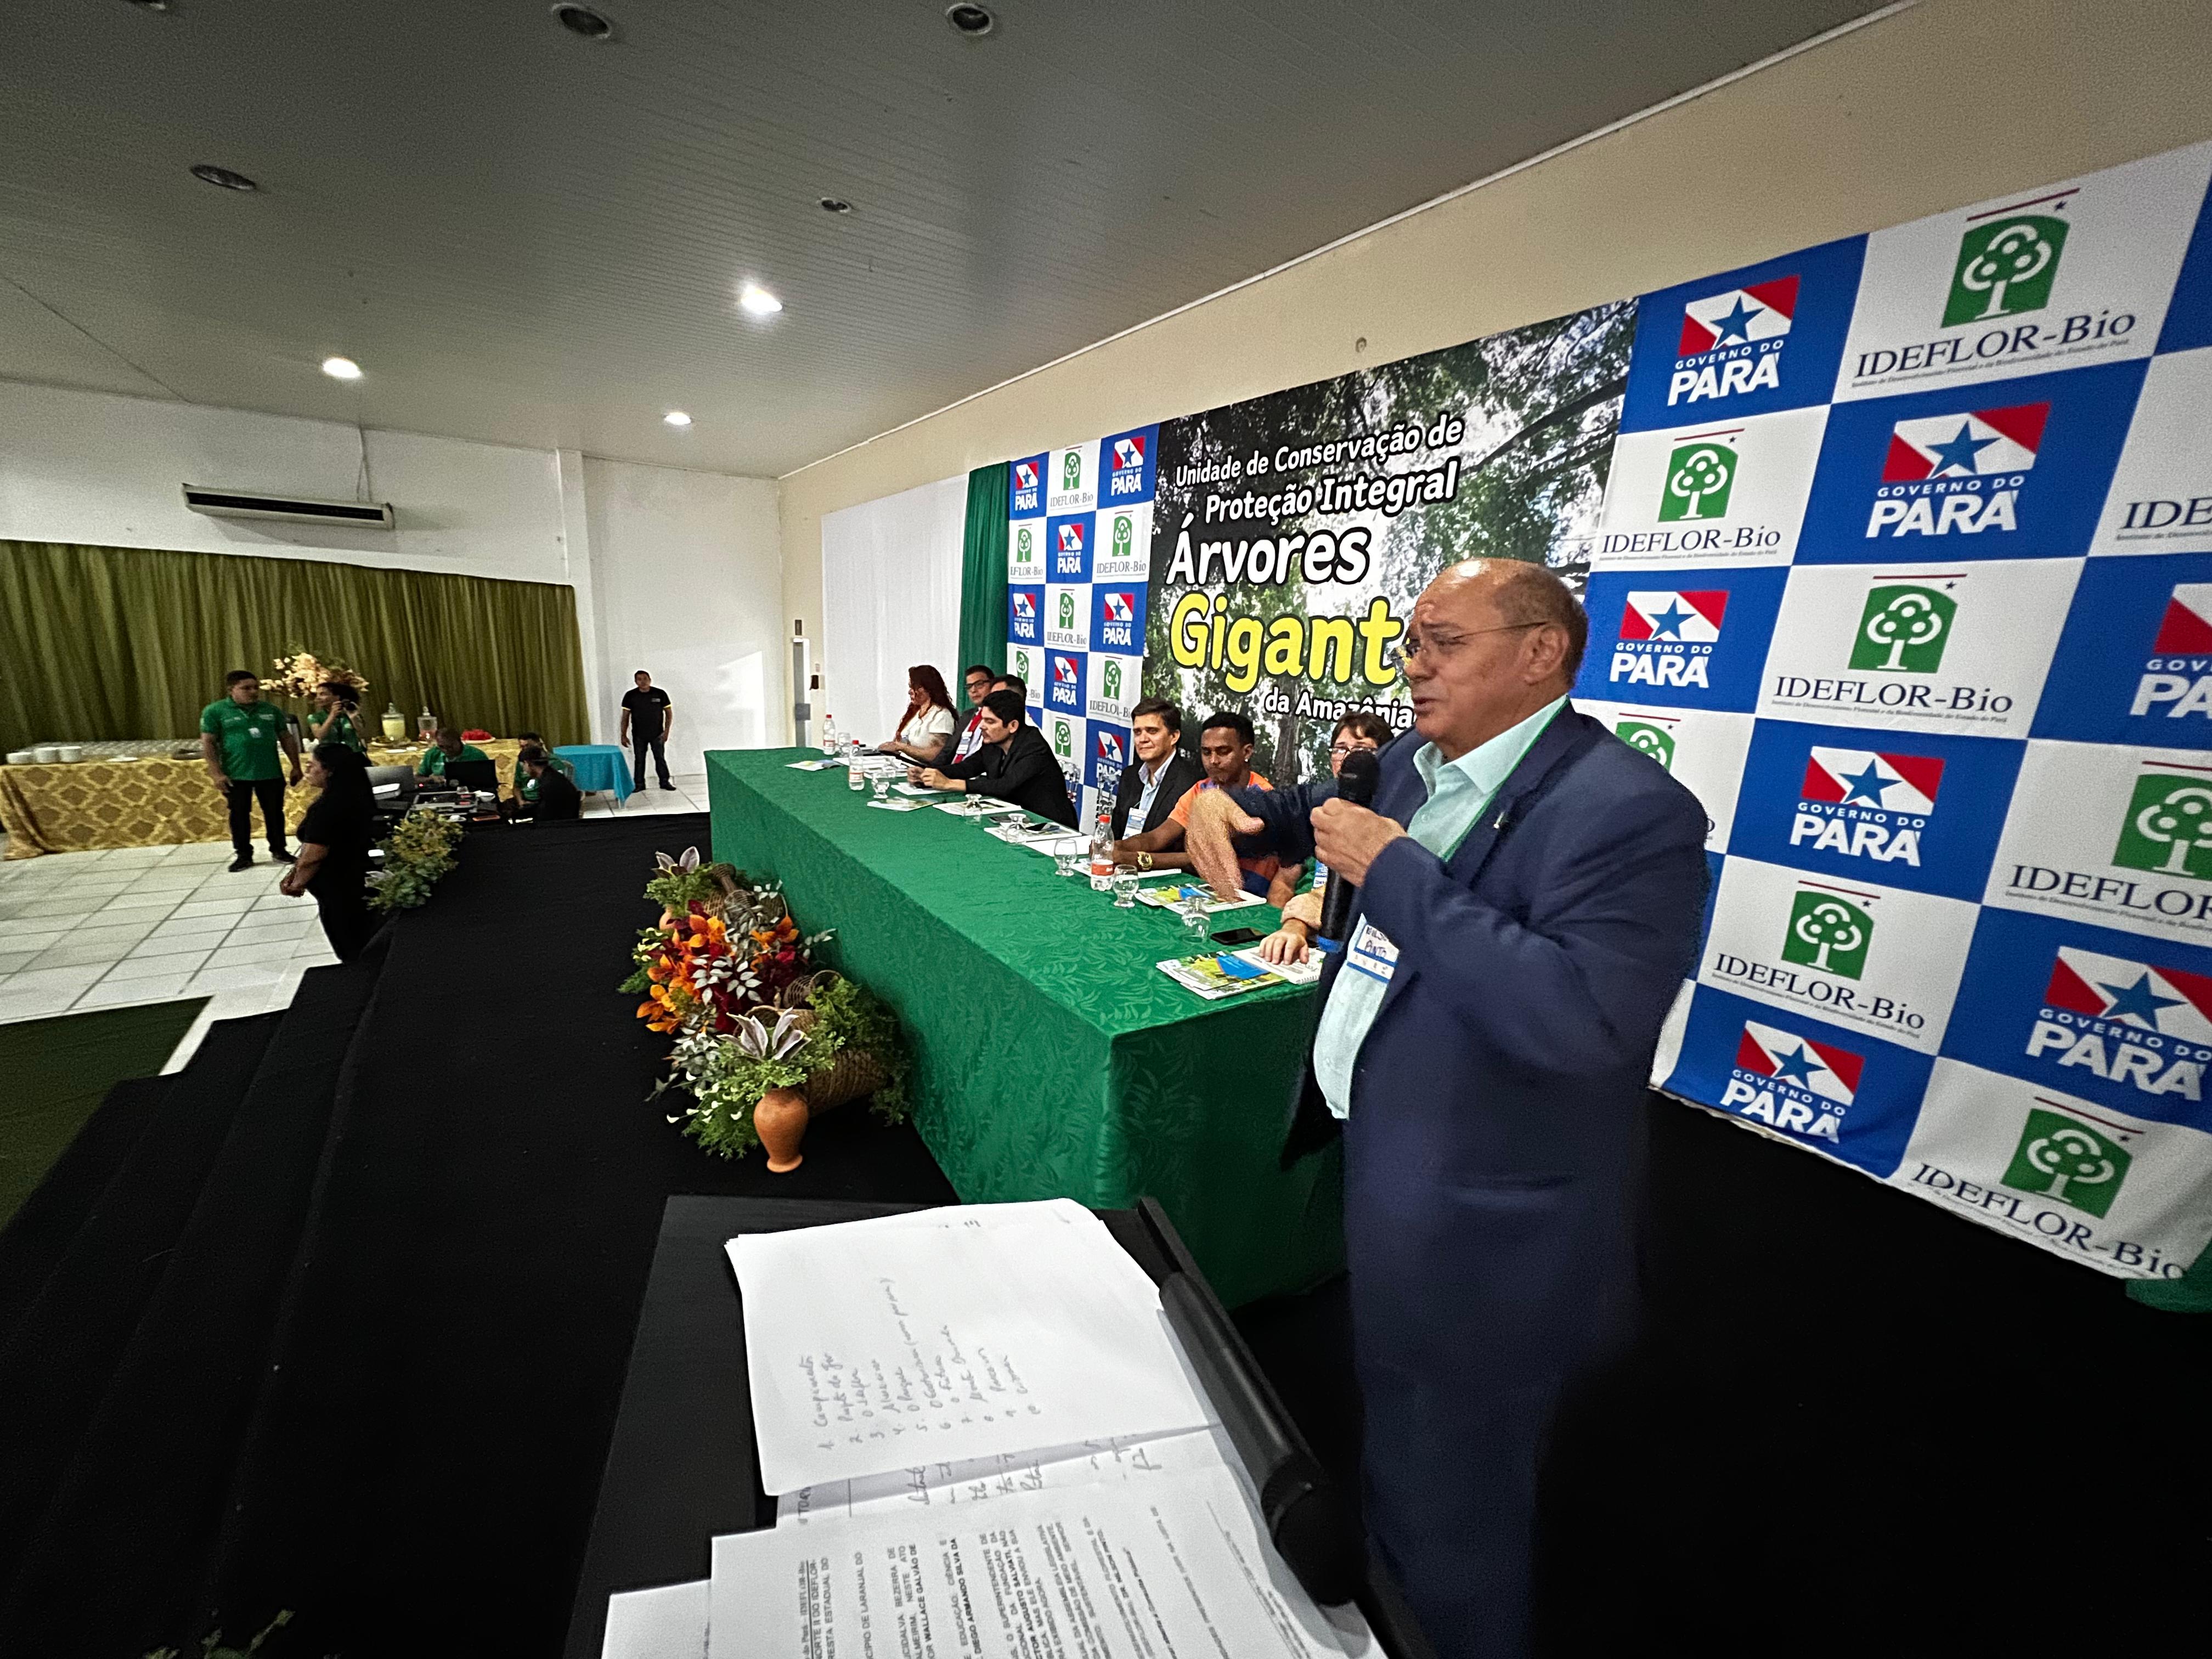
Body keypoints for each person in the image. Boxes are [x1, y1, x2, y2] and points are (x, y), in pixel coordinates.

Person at [1183, 560, 1707, 1659]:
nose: (1414, 665)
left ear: (1541, 652)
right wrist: (1228, 801)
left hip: (1487, 1223)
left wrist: (1398, 872)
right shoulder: (1412, 764)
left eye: (1443, 642)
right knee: (1395, 1428)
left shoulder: (1632, 812)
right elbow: (1311, 810)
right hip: (1395, 1155)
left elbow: (1584, 1022)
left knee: (1452, 1498)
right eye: (1412, 643)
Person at [1258, 711, 1395, 961]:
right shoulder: (1317, 809)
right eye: (1340, 749)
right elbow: (1284, 883)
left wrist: (1297, 925)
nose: (1348, 759)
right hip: (1295, 938)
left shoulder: (1389, 822)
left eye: (1362, 750)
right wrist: (1279, 933)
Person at [1112, 711, 1276, 891]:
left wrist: (1138, 860)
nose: (1213, 761)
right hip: (1206, 889)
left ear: (1247, 752)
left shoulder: (1264, 797)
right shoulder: (1201, 788)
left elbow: (1208, 856)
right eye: (1206, 752)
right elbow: (1157, 837)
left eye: (1223, 752)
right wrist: (1116, 847)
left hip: (1249, 896)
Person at [909, 689, 1076, 827]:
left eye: (990, 721)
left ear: (1013, 726)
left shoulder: (1034, 747)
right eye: (983, 719)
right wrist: (927, 773)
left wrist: (949, 784)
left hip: (1050, 825)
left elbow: (1005, 786)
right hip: (1014, 820)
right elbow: (967, 768)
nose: (982, 726)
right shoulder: (993, 743)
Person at [280, 742, 380, 960]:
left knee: (349, 944)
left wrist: (297, 882)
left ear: (330, 771)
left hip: (337, 885)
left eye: (312, 764)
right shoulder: (354, 796)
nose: (307, 769)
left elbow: (314, 855)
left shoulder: (328, 808)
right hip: (356, 876)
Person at [200, 669, 301, 873]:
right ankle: (244, 855)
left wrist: (296, 766)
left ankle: (279, 850)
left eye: (256, 688)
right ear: (231, 690)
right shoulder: (215, 711)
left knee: (275, 813)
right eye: (246, 688)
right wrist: (217, 773)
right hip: (236, 774)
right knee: (239, 815)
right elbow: (209, 743)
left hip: (270, 772)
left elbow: (286, 737)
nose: (253, 692)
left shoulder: (270, 710)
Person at [1107, 697, 1200, 841]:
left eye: (1152, 731)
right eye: (1138, 732)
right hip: (1123, 854)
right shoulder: (1130, 776)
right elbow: (1116, 833)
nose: (1143, 739)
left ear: (1174, 737)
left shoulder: (1190, 784)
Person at [878, 665, 960, 765]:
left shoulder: (942, 716)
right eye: (910, 687)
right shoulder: (914, 713)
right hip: (900, 765)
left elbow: (936, 756)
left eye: (914, 688)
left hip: (921, 770)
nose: (910, 692)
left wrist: (902, 747)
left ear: (929, 688)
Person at [620, 669, 675, 792]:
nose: (643, 682)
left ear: (650, 680)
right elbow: (625, 717)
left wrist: (667, 731)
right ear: (636, 682)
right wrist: (623, 735)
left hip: (658, 734)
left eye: (645, 679)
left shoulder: (660, 694)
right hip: (639, 734)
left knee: (660, 758)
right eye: (639, 679)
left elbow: (669, 714)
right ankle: (639, 784)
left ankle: (665, 782)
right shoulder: (630, 696)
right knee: (639, 760)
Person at [516, 746, 582, 821]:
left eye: (523, 766)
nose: (524, 770)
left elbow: (546, 815)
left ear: (527, 764)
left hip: (559, 825)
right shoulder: (553, 776)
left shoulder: (549, 783)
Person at [949, 664, 996, 763]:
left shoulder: (998, 716)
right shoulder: (967, 716)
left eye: (979, 684)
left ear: (992, 685)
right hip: (952, 768)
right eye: (969, 686)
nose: (973, 690)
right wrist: (930, 769)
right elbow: (948, 750)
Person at [511, 730, 575, 803]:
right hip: (525, 800)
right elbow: (517, 786)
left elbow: (559, 790)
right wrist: (521, 802)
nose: (525, 749)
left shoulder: (553, 762)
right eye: (522, 747)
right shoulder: (522, 762)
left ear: (539, 745)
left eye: (528, 746)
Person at [305, 680, 369, 753]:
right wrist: (332, 715)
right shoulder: (314, 717)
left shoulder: (350, 714)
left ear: (337, 697)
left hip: (354, 754)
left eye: (323, 694)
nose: (318, 698)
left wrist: (353, 718)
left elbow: (363, 735)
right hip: (330, 755)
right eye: (317, 695)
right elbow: (320, 735)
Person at [416, 727, 489, 778]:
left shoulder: (477, 755)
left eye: (450, 747)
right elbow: (418, 778)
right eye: (441, 747)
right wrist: (431, 779)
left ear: (459, 742)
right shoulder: (432, 754)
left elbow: (489, 780)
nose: (446, 750)